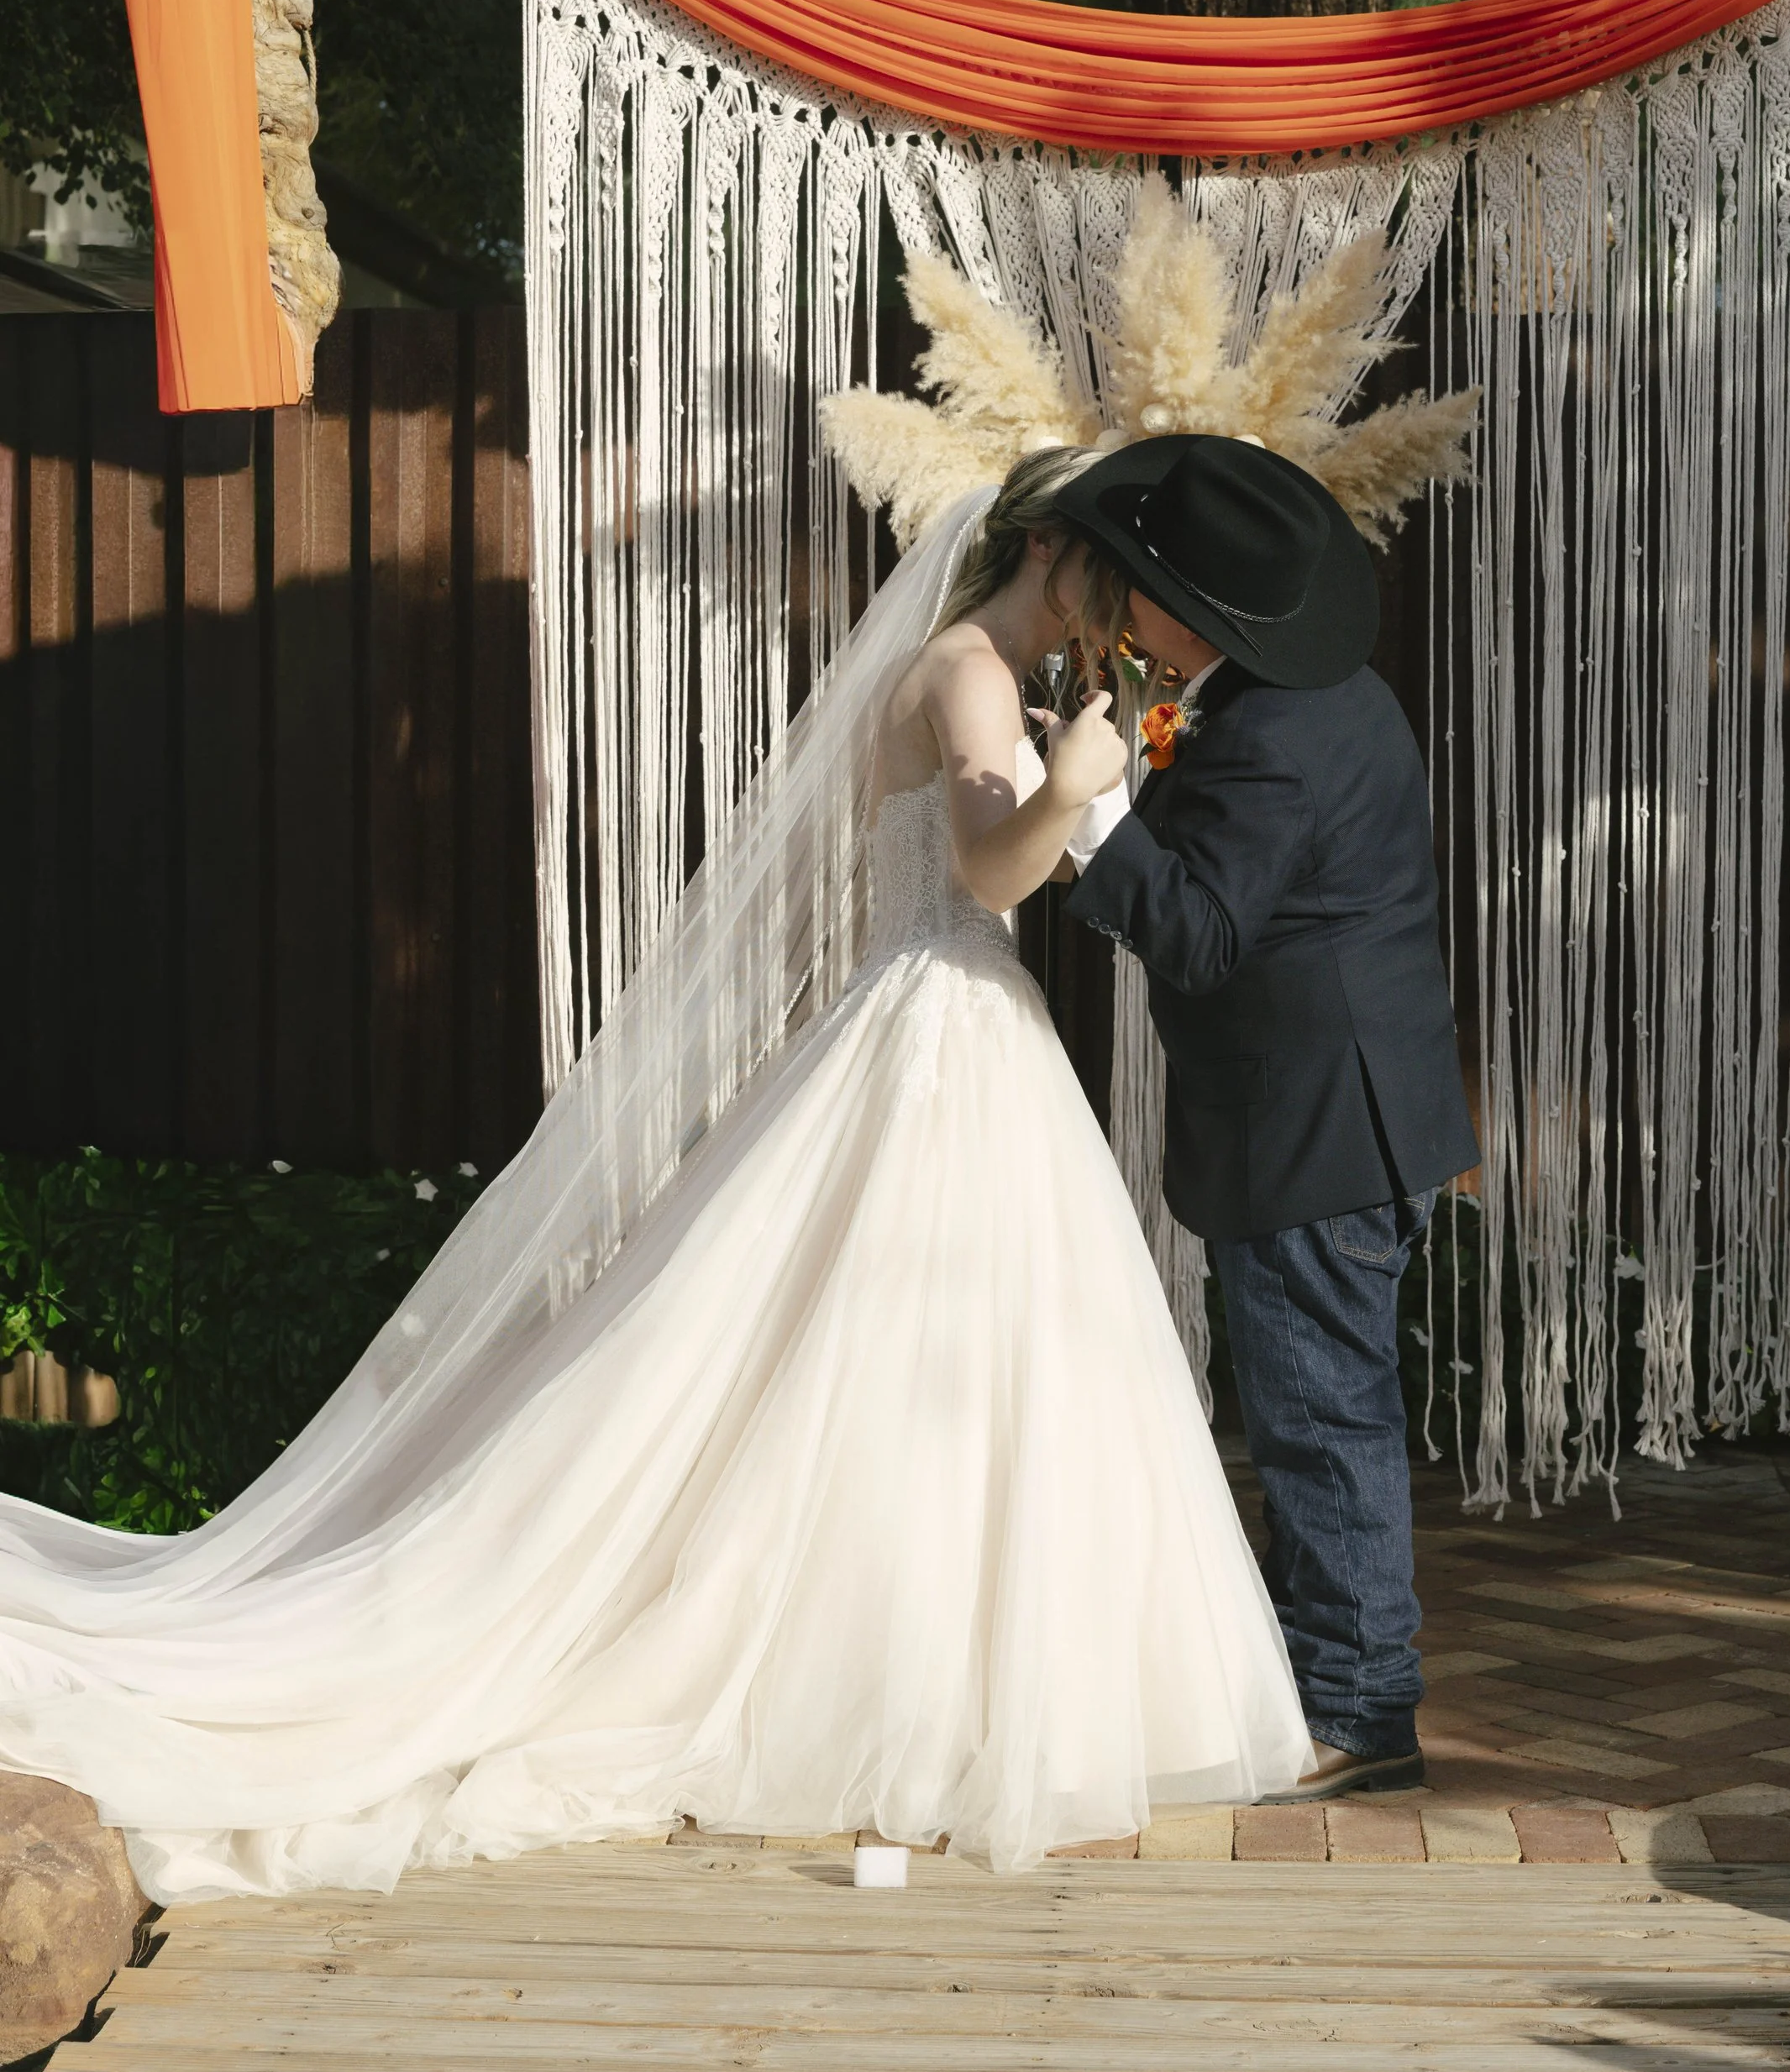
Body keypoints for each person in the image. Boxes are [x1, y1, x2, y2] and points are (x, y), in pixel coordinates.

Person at [0, 453, 1310, 1897]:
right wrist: (1075, 785)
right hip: (942, 1024)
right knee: (907, 1362)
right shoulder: (972, 672)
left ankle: (898, 1672)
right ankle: (905, 1693)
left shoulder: (977, 668)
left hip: (942, 1021)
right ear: (1056, 558)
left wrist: (1073, 780)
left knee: (897, 1368)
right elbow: (991, 873)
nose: (1117, 622)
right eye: (1114, 585)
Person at [1058, 433, 1478, 1802]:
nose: (1120, 606)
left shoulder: (1274, 740)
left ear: (1195, 610)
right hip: (1351, 1117)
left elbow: (1202, 933)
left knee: (1322, 1422)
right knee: (1322, 1413)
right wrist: (1133, 760)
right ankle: (1337, 1687)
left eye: (1133, 585)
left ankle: (1359, 1715)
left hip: (1319, 1131)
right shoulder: (1297, 697)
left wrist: (1092, 818)